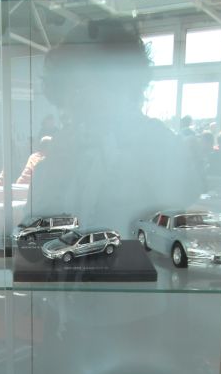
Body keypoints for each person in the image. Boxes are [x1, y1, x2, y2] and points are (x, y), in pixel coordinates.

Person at [28, 18, 204, 236]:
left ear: (120, 83)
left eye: (82, 85)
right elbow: (32, 232)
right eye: (69, 88)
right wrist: (55, 170)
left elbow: (181, 211)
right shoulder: (66, 146)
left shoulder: (156, 141)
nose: (73, 101)